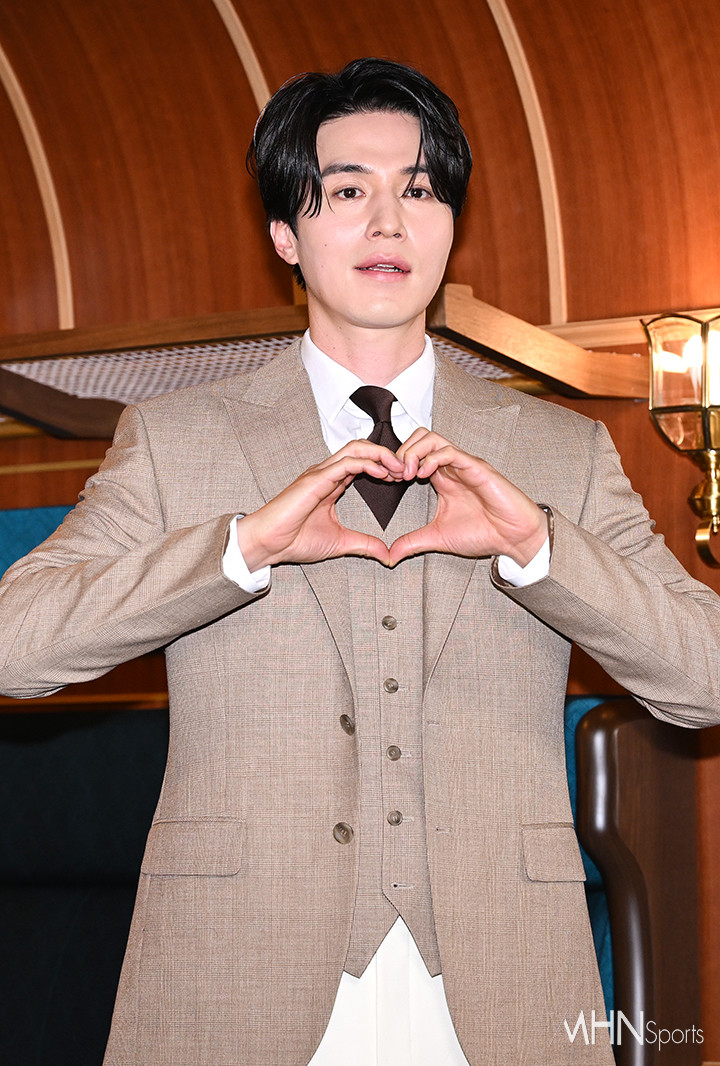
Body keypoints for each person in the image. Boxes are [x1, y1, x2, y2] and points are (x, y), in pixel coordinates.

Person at [1, 56, 719, 1066]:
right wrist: (240, 548)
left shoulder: (564, 452)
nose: (389, 222)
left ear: (450, 226)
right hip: (235, 976)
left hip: (504, 983)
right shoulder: (174, 440)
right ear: (284, 236)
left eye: (419, 191)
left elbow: (705, 679)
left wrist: (538, 548)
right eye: (347, 192)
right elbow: (15, 644)